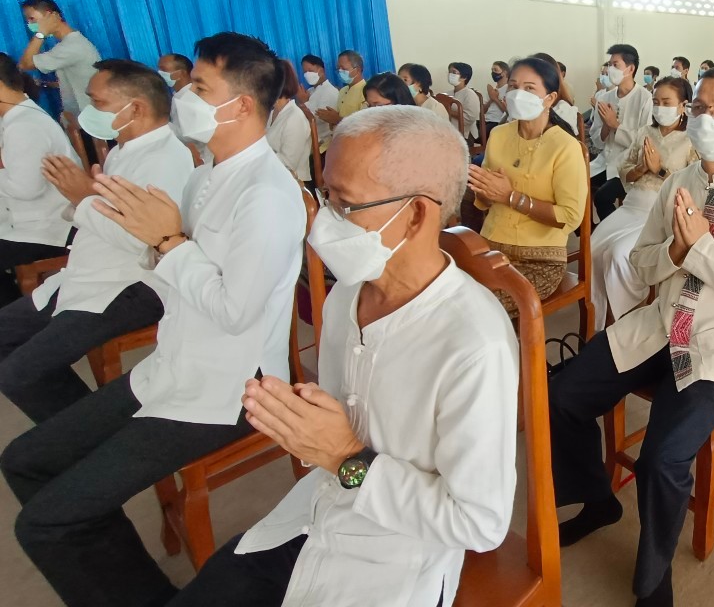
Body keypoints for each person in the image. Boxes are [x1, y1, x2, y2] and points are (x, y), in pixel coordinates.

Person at [0, 32, 305, 607]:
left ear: (240, 105)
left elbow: (236, 313)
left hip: (227, 393)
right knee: (25, 460)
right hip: (172, 367)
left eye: (199, 87)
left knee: (45, 523)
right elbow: (165, 262)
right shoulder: (204, 174)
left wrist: (167, 241)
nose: (183, 95)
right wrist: (154, 239)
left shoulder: (267, 194)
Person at [169, 106, 517, 607]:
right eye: (324, 195)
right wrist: (301, 422)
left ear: (417, 213)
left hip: (395, 560)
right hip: (314, 512)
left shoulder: (472, 342)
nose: (323, 220)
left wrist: (345, 457)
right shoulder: (347, 295)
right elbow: (334, 425)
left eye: (343, 204)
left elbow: (478, 523)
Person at [550, 66, 714, 607]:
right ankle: (597, 502)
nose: (707, 119)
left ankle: (652, 578)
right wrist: (676, 253)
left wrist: (704, 251)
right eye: (700, 108)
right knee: (562, 396)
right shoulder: (680, 181)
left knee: (662, 459)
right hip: (658, 326)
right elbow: (640, 266)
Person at [0, 59, 194, 423]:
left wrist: (84, 198)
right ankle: (76, 424)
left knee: (17, 373)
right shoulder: (123, 150)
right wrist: (86, 200)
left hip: (132, 286)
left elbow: (141, 240)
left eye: (98, 103)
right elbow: (101, 215)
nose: (88, 112)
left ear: (135, 108)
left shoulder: (166, 159)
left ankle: (82, 432)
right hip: (90, 271)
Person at [468, 58, 588, 314]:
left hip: (538, 261)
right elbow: (485, 201)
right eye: (513, 86)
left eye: (529, 88)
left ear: (550, 98)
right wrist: (484, 190)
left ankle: (515, 352)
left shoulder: (565, 146)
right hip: (490, 250)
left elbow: (569, 216)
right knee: (447, 297)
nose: (517, 94)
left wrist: (511, 196)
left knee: (479, 309)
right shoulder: (500, 135)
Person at [591, 77, 697, 332]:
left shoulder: (691, 139)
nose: (660, 107)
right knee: (594, 250)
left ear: (683, 105)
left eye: (667, 102)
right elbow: (624, 169)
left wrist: (659, 170)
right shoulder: (644, 132)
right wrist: (641, 168)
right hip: (632, 205)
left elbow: (693, 186)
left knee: (618, 256)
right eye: (656, 102)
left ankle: (624, 319)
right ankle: (597, 321)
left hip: (662, 213)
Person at [0, 53, 79, 306]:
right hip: (31, 220)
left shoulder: (25, 126)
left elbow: (25, 190)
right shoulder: (17, 119)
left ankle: (11, 320)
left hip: (48, 229)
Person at [589, 44, 652, 221]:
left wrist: (615, 124)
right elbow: (597, 140)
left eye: (615, 65)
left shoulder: (645, 98)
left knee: (602, 197)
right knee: (571, 185)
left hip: (628, 165)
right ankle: (589, 233)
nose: (610, 69)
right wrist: (606, 127)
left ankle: (614, 232)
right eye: (609, 65)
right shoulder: (604, 97)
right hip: (604, 161)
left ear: (630, 69)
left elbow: (643, 142)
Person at [18, 0, 100, 115]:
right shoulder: (72, 42)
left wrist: (41, 33)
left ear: (50, 16)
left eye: (32, 19)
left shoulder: (71, 46)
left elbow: (25, 64)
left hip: (87, 118)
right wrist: (44, 84)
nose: (29, 24)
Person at [266, 59, 312, 181]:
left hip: (294, 182)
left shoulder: (294, 117)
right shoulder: (272, 113)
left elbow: (289, 163)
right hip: (273, 177)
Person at [314, 50, 366, 140]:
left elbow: (365, 125)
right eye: (338, 69)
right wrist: (330, 118)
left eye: (344, 69)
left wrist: (337, 119)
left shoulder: (366, 91)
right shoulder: (342, 91)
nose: (340, 71)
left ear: (357, 70)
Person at [301, 54, 340, 141]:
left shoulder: (330, 91)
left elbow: (318, 119)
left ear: (321, 71)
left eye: (310, 70)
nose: (307, 74)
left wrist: (304, 102)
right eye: (305, 72)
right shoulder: (310, 91)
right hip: (311, 140)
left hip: (324, 142)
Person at [446, 62, 481, 142]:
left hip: (465, 135)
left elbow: (470, 118)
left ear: (464, 77)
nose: (450, 74)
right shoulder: (447, 93)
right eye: (449, 72)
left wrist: (449, 111)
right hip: (449, 131)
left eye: (454, 72)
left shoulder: (469, 94)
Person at [484, 60, 511, 134]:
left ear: (505, 72)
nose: (493, 73)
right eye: (492, 70)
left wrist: (495, 99)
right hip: (487, 120)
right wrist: (491, 99)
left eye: (495, 70)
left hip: (498, 122)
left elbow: (508, 112)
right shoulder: (492, 89)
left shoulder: (509, 89)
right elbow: (483, 110)